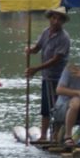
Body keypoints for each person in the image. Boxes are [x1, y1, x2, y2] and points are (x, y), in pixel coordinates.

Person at [25, 7, 71, 142]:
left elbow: (56, 59)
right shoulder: (46, 32)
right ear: (50, 18)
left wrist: (36, 69)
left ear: (62, 21)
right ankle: (44, 136)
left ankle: (56, 135)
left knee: (58, 108)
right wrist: (30, 50)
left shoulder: (64, 38)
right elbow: (38, 47)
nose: (55, 21)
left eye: (59, 19)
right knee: (45, 108)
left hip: (59, 78)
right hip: (47, 77)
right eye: (53, 18)